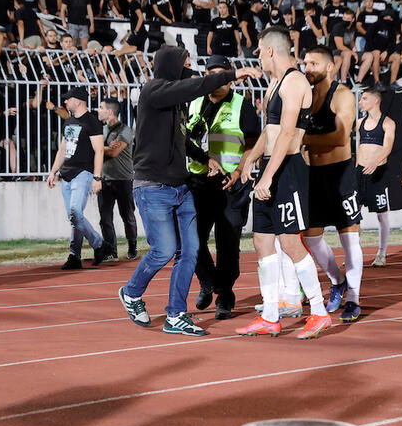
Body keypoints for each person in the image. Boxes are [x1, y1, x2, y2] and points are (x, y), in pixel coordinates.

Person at [118, 46, 260, 336]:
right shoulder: (153, 91)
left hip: (182, 186)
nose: (190, 69)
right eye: (185, 64)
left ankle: (176, 315)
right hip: (154, 186)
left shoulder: (179, 102)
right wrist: (234, 74)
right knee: (165, 250)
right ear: (171, 66)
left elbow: (182, 140)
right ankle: (131, 293)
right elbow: (196, 84)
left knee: (191, 250)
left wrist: (203, 158)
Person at [234, 28, 332, 339]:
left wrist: (268, 175)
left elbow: (288, 134)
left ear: (271, 51)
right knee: (262, 241)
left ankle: (318, 311)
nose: (257, 57)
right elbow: (270, 130)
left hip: (287, 170)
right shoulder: (274, 83)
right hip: (271, 165)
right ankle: (270, 314)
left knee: (290, 242)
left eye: (259, 51)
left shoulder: (295, 82)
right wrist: (250, 159)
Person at [187, 54, 260, 320]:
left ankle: (225, 295)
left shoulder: (243, 104)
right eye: (211, 72)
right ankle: (208, 281)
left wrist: (240, 170)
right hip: (199, 182)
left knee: (228, 244)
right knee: (191, 239)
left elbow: (253, 143)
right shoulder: (194, 102)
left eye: (221, 72)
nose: (216, 77)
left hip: (232, 184)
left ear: (230, 77)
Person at [299, 45, 364, 322]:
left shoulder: (342, 95)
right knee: (312, 238)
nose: (307, 68)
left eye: (313, 63)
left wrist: (301, 140)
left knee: (349, 237)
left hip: (341, 173)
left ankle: (354, 298)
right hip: (314, 175)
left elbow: (340, 138)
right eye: (305, 63)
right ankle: (337, 280)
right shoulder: (306, 95)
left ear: (330, 66)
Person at [46, 88, 112, 269]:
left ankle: (98, 244)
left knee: (75, 212)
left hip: (83, 173)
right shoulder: (68, 121)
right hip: (66, 174)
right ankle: (75, 256)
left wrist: (97, 177)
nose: (65, 102)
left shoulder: (91, 121)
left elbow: (99, 151)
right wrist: (53, 172)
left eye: (68, 99)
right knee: (74, 216)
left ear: (79, 101)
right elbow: (62, 149)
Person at [355, 87, 396, 268]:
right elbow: (359, 146)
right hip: (359, 173)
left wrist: (375, 162)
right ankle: (354, 253)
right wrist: (357, 167)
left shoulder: (388, 123)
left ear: (375, 101)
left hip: (377, 173)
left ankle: (381, 253)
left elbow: (387, 147)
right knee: (353, 214)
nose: (360, 102)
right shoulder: (359, 123)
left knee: (382, 214)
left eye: (364, 98)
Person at [96, 97, 137, 262]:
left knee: (127, 215)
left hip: (123, 179)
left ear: (109, 111)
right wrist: (104, 147)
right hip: (105, 179)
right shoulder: (102, 130)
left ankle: (132, 247)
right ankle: (110, 251)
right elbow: (103, 149)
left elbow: (113, 152)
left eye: (100, 107)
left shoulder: (125, 130)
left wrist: (99, 148)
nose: (98, 111)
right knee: (105, 218)